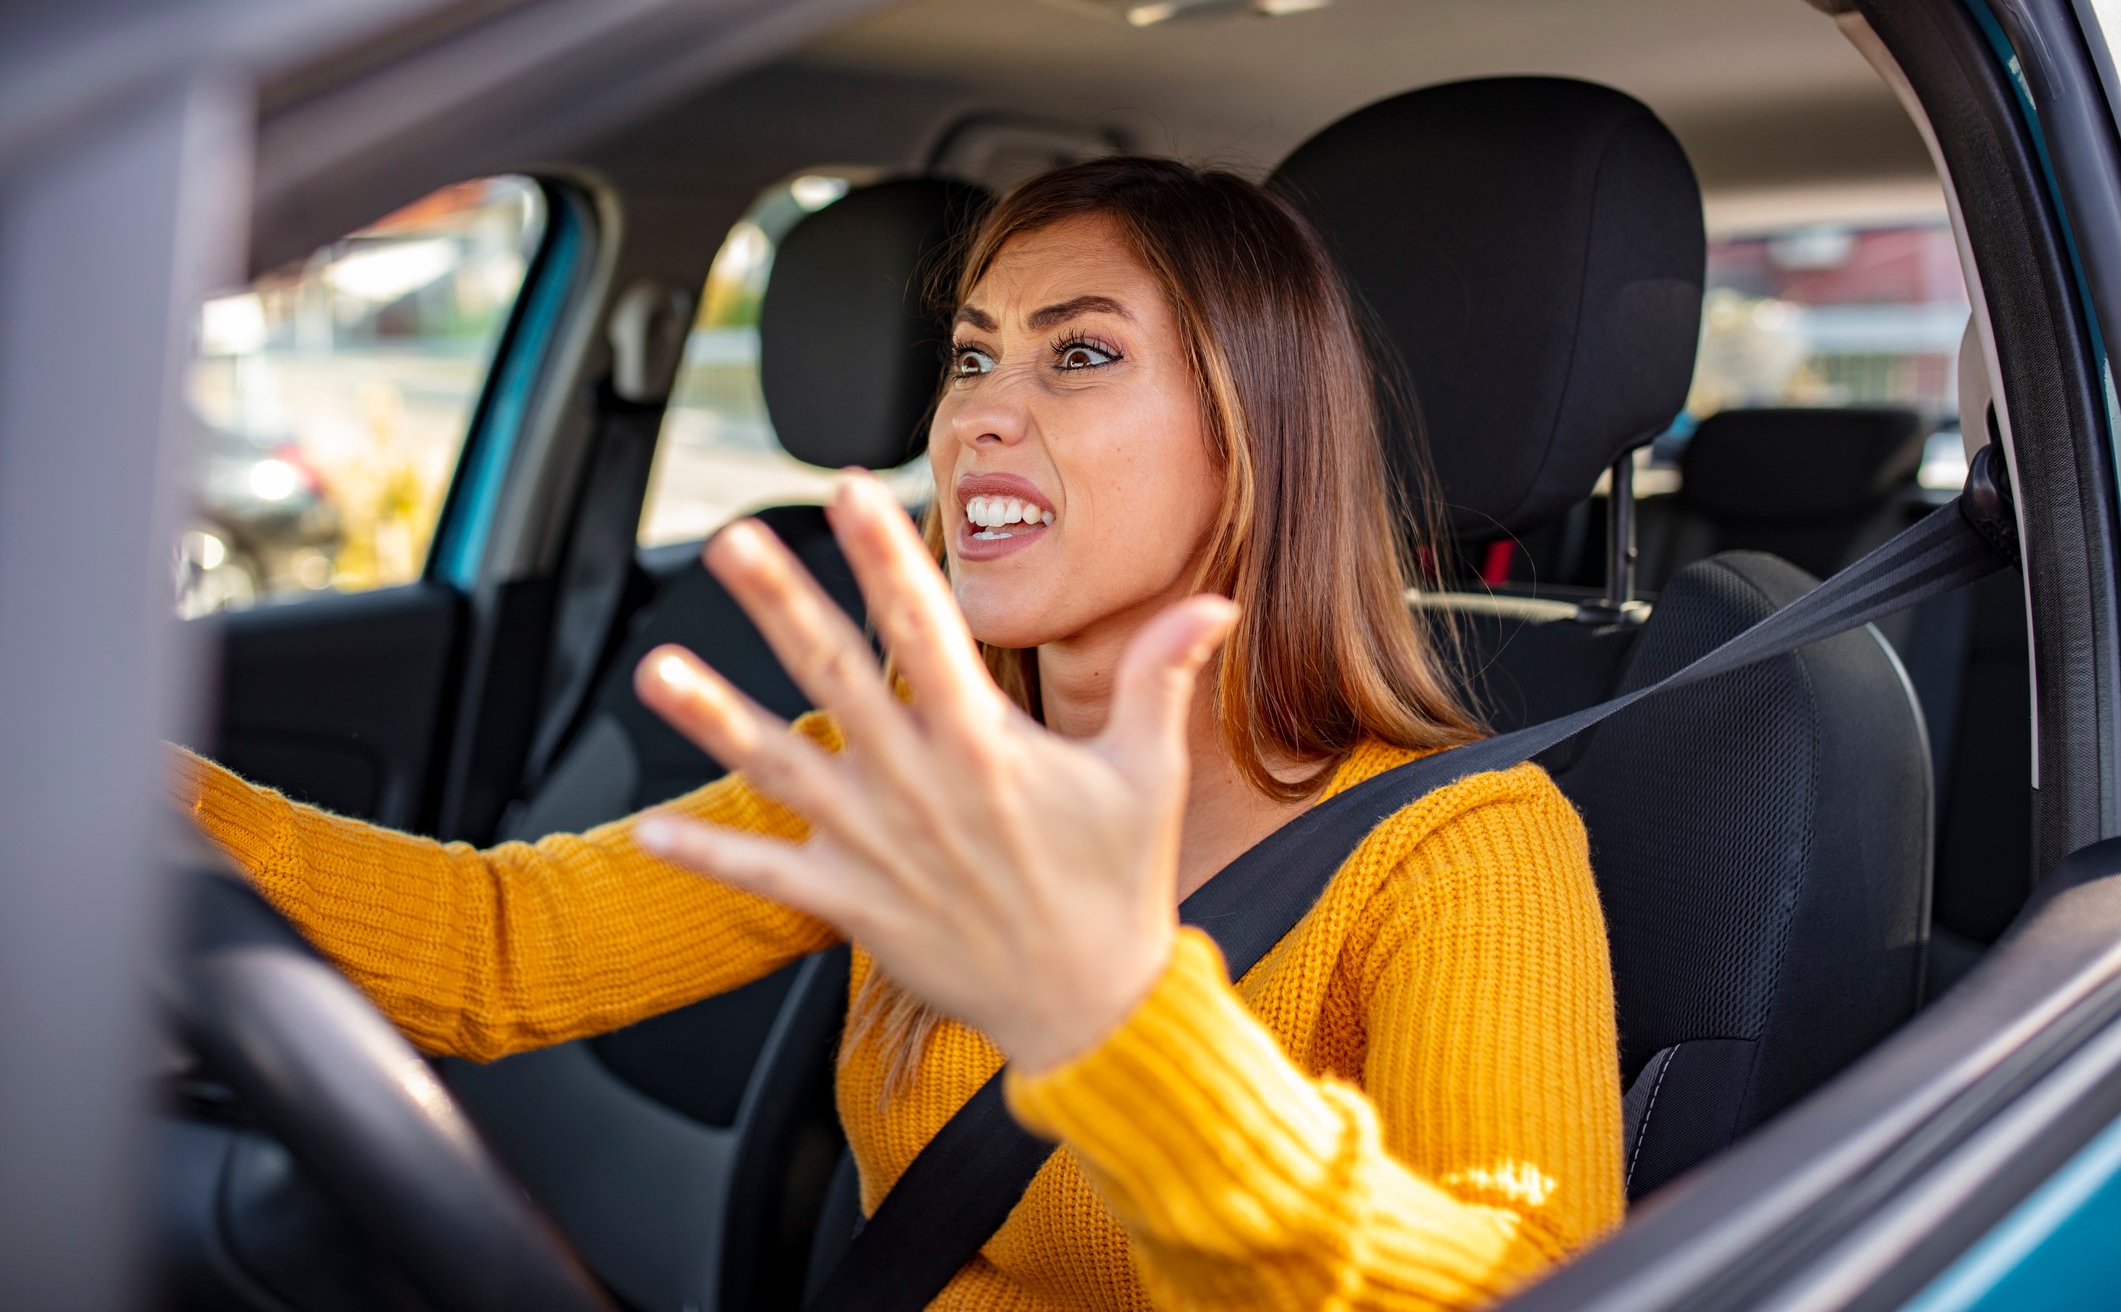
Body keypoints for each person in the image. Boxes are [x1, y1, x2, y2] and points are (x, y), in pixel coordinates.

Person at [172, 156, 1623, 1309]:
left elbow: (1527, 1288)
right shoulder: (907, 772)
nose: (981, 413)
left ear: (1254, 437)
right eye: (974, 356)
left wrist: (1120, 1026)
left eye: (1080, 356)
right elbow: (499, 952)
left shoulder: (1461, 852)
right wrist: (96, 785)